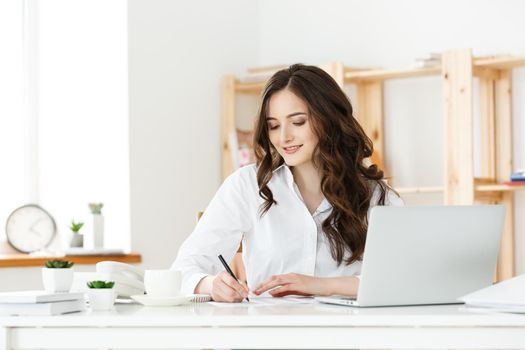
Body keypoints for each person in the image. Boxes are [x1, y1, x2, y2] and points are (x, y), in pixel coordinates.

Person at [172, 64, 402, 302]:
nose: (283, 138)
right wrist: (211, 285)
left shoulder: (375, 195)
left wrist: (319, 286)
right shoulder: (248, 185)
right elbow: (183, 269)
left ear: (329, 119)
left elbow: (402, 279)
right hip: (268, 335)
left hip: (347, 335)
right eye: (273, 126)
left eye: (298, 122)